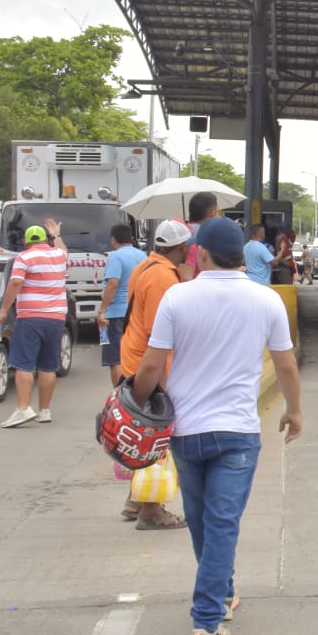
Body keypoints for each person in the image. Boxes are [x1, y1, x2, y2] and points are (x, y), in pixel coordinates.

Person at [132, 217, 302, 635]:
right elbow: (286, 365)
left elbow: (151, 367)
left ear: (200, 253)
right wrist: (294, 410)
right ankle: (208, 624)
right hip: (238, 434)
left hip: (186, 432)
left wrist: (135, 405)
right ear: (242, 256)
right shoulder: (266, 300)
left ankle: (218, 603)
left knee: (204, 522)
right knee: (220, 524)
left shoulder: (178, 297)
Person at [117, 219, 193, 529]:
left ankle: (136, 500)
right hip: (148, 365)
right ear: (181, 248)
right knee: (156, 440)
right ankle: (150, 511)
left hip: (134, 360)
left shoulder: (147, 266)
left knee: (145, 438)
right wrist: (161, 384)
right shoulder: (163, 278)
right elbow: (157, 335)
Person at [0, 220, 67, 429]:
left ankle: (24, 408)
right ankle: (44, 410)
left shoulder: (24, 257)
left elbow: (16, 282)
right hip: (56, 317)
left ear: (26, 241)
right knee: (48, 365)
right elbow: (63, 248)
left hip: (31, 316)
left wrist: (4, 310)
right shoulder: (59, 255)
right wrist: (56, 234)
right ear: (45, 239)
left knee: (23, 363)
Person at [98, 223, 147, 387]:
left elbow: (112, 283)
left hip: (116, 313)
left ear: (113, 240)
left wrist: (102, 311)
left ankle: (120, 398)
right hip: (137, 312)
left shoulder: (116, 257)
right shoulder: (143, 256)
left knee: (116, 359)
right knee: (135, 354)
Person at [179, 191, 221, 281]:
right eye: (218, 211)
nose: (219, 216)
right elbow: (186, 277)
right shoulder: (197, 239)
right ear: (212, 214)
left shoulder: (182, 233)